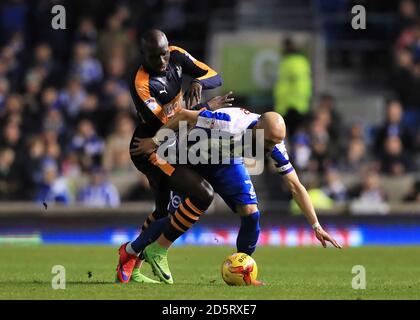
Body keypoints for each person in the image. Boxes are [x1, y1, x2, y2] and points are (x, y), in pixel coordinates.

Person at [128, 107, 342, 284]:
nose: (270, 149)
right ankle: (134, 251)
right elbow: (183, 114)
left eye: (275, 143)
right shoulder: (229, 122)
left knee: (251, 213)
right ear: (257, 127)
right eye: (268, 142)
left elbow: (295, 185)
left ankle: (244, 270)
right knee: (173, 217)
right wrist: (155, 142)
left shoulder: (274, 144)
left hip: (226, 161)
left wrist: (316, 225)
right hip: (190, 158)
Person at [115, 29, 231, 284]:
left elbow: (214, 75)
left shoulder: (176, 54)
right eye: (155, 57)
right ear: (143, 54)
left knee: (163, 211)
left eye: (165, 53)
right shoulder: (141, 84)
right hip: (153, 149)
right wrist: (207, 107)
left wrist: (198, 82)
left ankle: (130, 259)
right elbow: (172, 122)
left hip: (174, 143)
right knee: (203, 194)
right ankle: (149, 252)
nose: (163, 61)